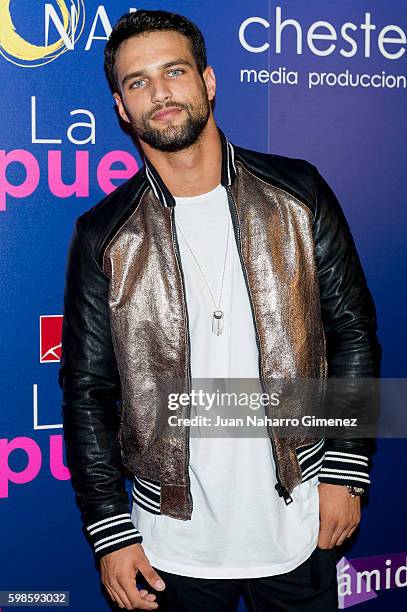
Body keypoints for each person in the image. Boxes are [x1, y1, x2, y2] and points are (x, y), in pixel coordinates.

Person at [58, 9, 382, 612]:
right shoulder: (104, 234)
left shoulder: (299, 194)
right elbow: (87, 390)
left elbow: (353, 334)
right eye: (138, 82)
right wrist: (108, 532)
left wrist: (346, 468)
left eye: (174, 71)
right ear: (122, 109)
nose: (160, 93)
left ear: (207, 81)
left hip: (298, 523)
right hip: (168, 544)